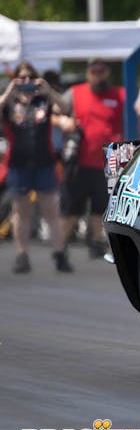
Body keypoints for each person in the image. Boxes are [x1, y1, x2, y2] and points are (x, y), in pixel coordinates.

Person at [0, 61, 73, 273]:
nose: (26, 81)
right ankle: (22, 255)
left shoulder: (44, 100)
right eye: (22, 78)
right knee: (21, 212)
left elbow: (65, 108)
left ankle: (59, 254)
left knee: (51, 211)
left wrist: (48, 90)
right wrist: (10, 90)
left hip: (44, 163)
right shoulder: (10, 102)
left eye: (30, 77)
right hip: (18, 164)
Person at [58, 58, 124, 259]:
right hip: (79, 162)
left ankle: (97, 244)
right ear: (88, 73)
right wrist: (62, 121)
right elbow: (54, 112)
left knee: (101, 207)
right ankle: (59, 249)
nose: (98, 75)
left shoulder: (120, 94)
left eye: (101, 71)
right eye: (94, 71)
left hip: (109, 161)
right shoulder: (75, 93)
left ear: (107, 73)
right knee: (71, 208)